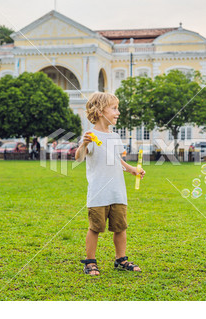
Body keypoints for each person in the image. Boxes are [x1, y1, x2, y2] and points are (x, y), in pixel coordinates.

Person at [75, 92, 145, 276]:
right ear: (99, 111)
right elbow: (79, 157)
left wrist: (131, 169)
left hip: (117, 192)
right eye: (114, 108)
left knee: (120, 227)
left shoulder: (115, 137)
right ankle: (90, 262)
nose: (118, 112)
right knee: (95, 228)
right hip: (99, 192)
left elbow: (116, 160)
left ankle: (120, 259)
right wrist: (83, 145)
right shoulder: (90, 135)